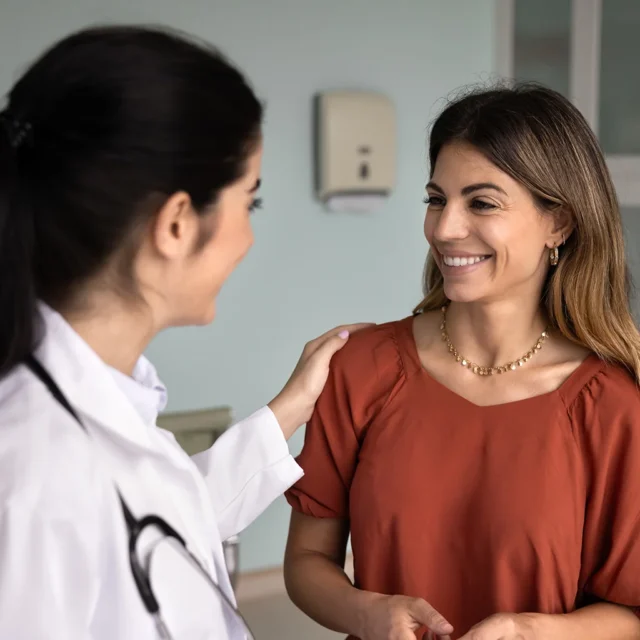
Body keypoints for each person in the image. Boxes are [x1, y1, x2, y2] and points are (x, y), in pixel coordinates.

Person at [0, 25, 369, 640]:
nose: (248, 237)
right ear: (175, 224)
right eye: (248, 202)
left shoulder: (99, 404)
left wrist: (289, 409)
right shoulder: (33, 473)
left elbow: (162, 519)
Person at [284, 84, 640, 640]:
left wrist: (530, 632)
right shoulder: (361, 368)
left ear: (560, 223)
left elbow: (630, 614)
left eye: (481, 202)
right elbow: (306, 562)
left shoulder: (613, 406)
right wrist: (366, 613)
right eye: (435, 199)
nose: (444, 229)